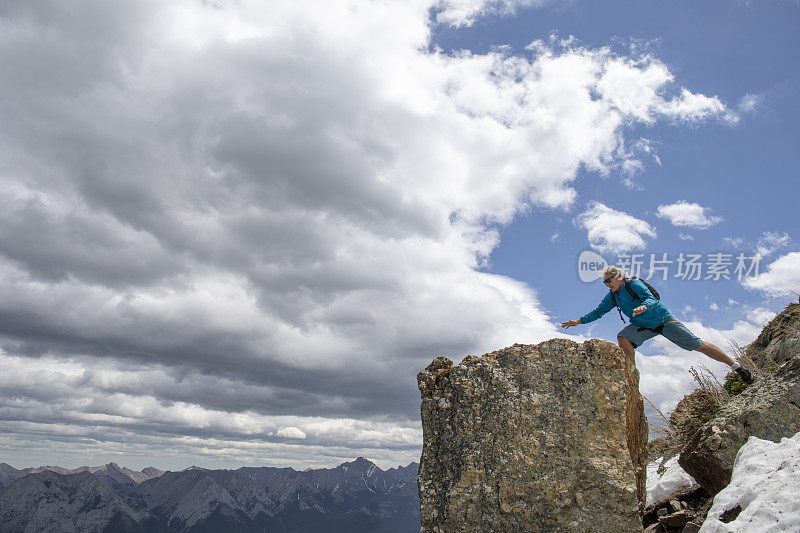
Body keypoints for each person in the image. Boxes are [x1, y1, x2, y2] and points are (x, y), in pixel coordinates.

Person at [560, 265, 753, 384]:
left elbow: (651, 299)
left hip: (663, 321)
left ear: (618, 277)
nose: (607, 285)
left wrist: (643, 307)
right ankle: (631, 375)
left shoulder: (633, 284)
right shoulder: (613, 296)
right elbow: (598, 312)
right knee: (623, 337)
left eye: (609, 281)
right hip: (644, 326)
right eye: (605, 283)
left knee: (698, 345)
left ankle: (736, 366)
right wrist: (578, 321)